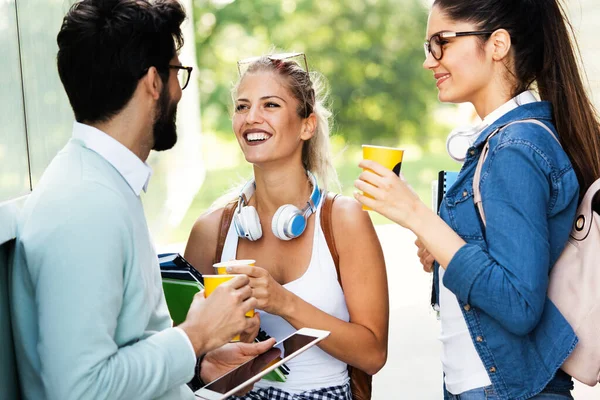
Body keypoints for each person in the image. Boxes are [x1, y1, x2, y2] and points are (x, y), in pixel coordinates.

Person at [9, 1, 273, 399]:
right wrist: (195, 336)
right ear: (153, 82)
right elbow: (80, 389)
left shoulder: (105, 183)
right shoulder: (84, 206)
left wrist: (199, 363)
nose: (178, 93)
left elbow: (127, 350)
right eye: (176, 73)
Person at [354, 0, 600, 399]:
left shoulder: (514, 148)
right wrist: (446, 246)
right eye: (427, 46)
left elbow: (519, 305)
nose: (429, 61)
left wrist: (419, 216)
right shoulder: (499, 141)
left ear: (498, 44)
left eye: (441, 42)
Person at [184, 53, 389, 399]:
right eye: (242, 106)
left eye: (270, 105)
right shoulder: (210, 231)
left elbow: (372, 355)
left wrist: (283, 302)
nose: (251, 118)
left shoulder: (344, 221)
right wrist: (214, 351)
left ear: (307, 125)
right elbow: (182, 352)